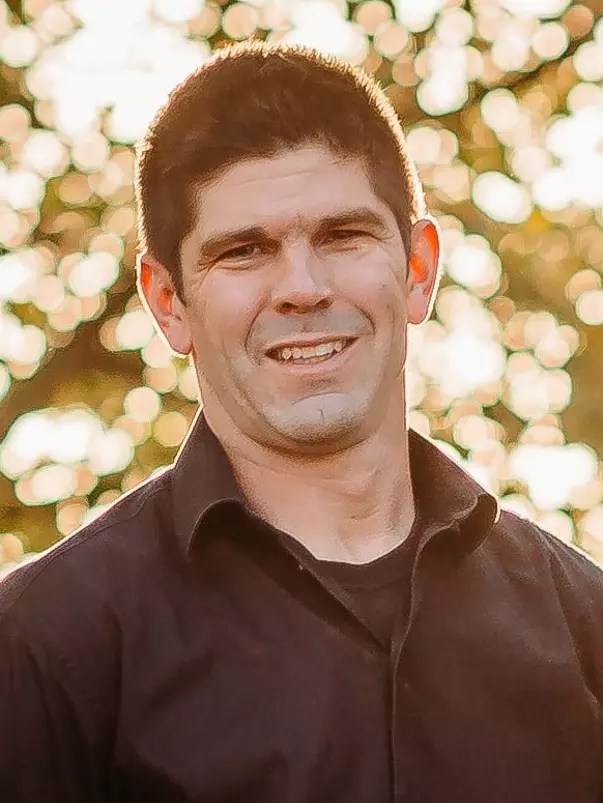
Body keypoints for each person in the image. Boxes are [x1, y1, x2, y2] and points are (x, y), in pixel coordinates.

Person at [1, 40, 602, 803]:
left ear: (417, 269)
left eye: (342, 235)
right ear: (167, 302)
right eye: (244, 251)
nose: (303, 287)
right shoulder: (50, 641)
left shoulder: (580, 620)